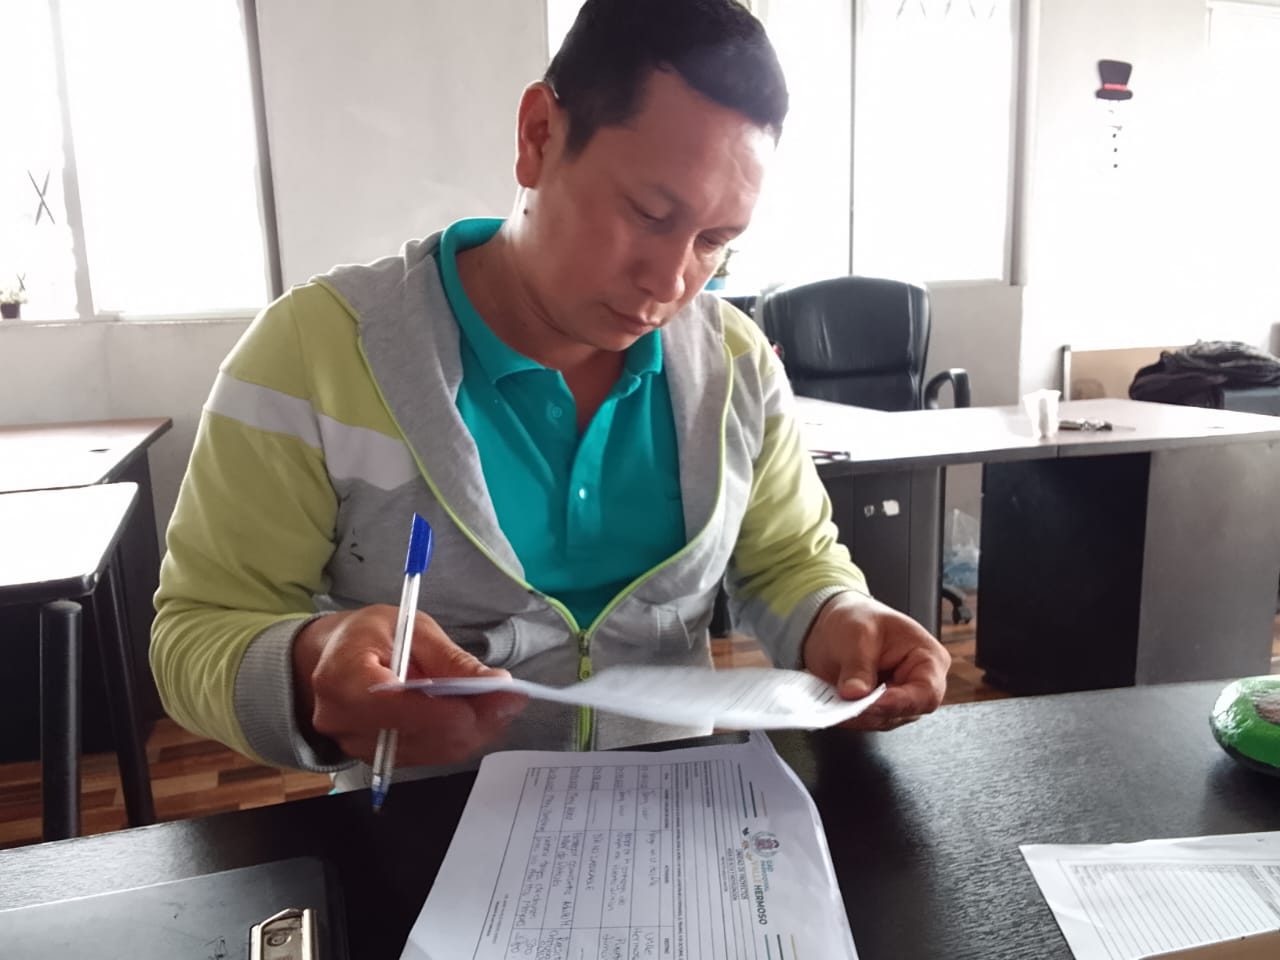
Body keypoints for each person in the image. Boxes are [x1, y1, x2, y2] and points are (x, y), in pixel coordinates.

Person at [151, 0, 949, 792]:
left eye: (715, 243)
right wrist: (307, 665)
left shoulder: (735, 365)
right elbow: (196, 631)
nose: (671, 282)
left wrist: (839, 615)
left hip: (674, 820)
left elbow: (788, 559)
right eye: (648, 214)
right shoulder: (316, 353)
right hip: (425, 833)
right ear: (538, 136)